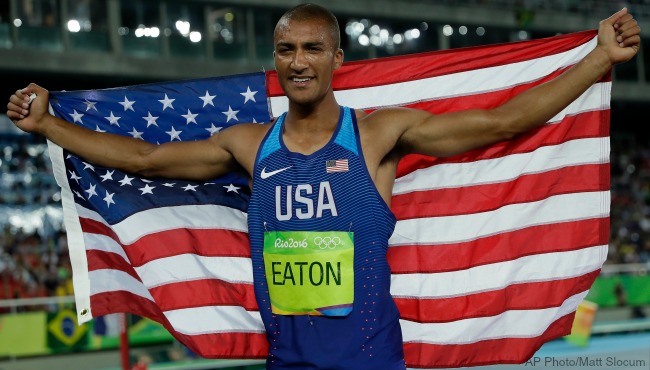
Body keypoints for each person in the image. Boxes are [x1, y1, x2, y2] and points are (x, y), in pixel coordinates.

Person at [5, 3, 641, 370]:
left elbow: (502, 123)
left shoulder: (377, 136)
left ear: (338, 59)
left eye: (312, 47)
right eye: (286, 48)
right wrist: (49, 124)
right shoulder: (251, 144)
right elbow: (145, 155)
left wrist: (596, 61)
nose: (299, 59)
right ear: (276, 59)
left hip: (368, 361)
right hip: (286, 362)